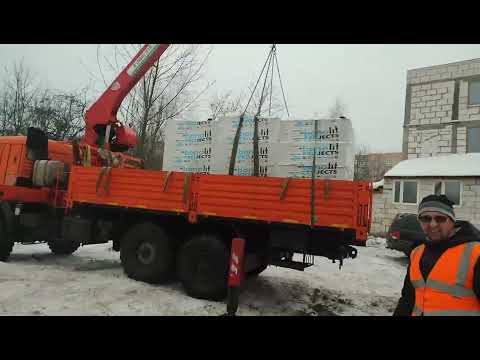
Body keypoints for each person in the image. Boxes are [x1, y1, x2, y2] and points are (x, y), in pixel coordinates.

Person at [393, 194, 480, 316]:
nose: (432, 224)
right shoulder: (417, 253)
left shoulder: (475, 253)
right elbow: (408, 299)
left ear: (452, 221)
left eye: (440, 219)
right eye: (426, 218)